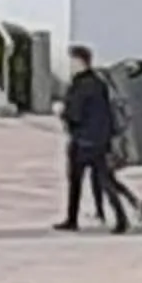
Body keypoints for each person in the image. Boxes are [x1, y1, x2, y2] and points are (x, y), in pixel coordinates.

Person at [54, 45, 129, 235]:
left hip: (82, 140)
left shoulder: (80, 85)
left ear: (80, 62)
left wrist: (62, 112)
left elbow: (75, 114)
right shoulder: (99, 83)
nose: (69, 66)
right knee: (105, 180)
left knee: (76, 181)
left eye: (71, 61)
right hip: (100, 139)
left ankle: (72, 219)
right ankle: (121, 218)